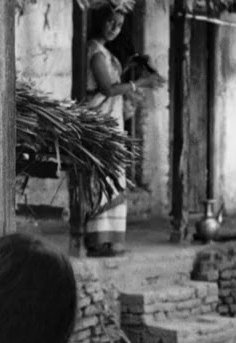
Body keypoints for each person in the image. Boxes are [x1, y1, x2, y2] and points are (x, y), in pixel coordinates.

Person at [83, 5, 165, 257]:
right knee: (101, 180)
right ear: (100, 20)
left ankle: (108, 240)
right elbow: (107, 89)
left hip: (111, 123)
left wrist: (135, 68)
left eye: (119, 25)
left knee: (113, 180)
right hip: (100, 124)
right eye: (110, 22)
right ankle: (96, 241)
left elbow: (115, 84)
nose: (114, 28)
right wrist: (139, 83)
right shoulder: (95, 51)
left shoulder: (106, 53)